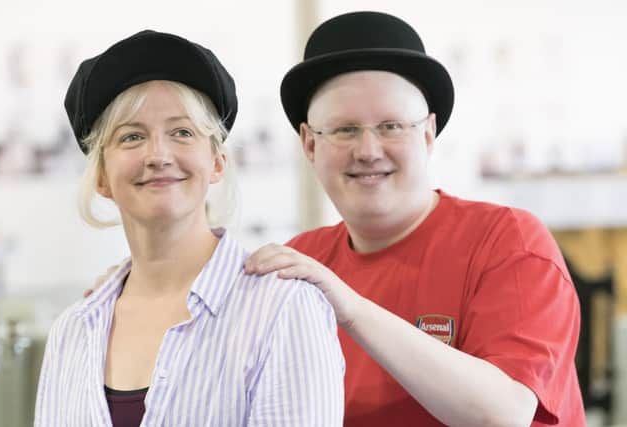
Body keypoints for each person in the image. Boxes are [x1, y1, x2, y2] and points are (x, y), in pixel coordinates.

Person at [243, 11, 585, 427]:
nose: (368, 150)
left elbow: (504, 414)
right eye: (344, 130)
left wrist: (350, 307)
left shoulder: (507, 241)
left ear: (427, 134)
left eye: (391, 126)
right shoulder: (302, 261)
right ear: (309, 144)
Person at [35, 30, 344, 427]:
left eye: (182, 132)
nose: (158, 155)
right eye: (131, 136)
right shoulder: (73, 330)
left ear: (216, 162)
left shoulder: (283, 308)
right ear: (101, 177)